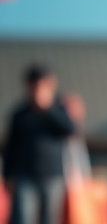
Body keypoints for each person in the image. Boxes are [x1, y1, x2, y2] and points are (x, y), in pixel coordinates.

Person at [2, 65, 76, 224]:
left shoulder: (58, 110)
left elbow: (70, 130)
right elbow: (11, 147)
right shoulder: (20, 114)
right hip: (24, 177)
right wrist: (7, 176)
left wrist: (47, 108)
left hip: (53, 176)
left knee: (49, 219)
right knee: (22, 218)